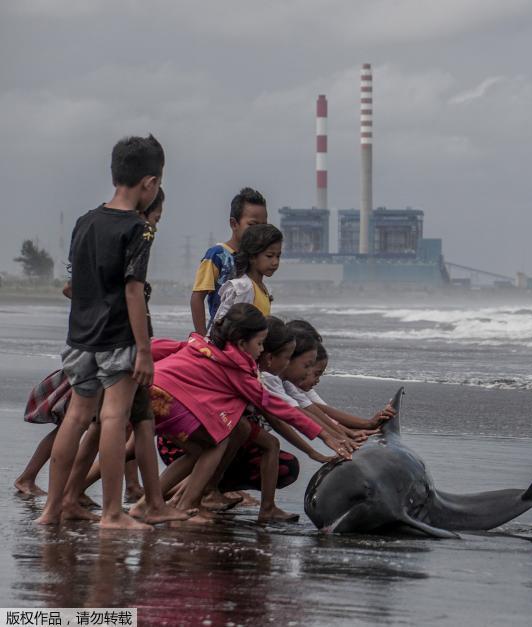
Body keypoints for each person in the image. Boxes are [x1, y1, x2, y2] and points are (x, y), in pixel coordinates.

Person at [36, 135, 163, 529]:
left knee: (75, 419)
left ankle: (52, 509)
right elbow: (133, 290)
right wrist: (144, 350)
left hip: (80, 337)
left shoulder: (84, 221)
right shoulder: (139, 230)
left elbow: (75, 284)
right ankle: (111, 513)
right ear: (150, 183)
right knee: (113, 418)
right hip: (117, 338)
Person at [148, 304, 351, 521]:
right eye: (260, 344)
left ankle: (156, 503)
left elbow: (163, 346)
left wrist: (133, 356)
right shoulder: (240, 371)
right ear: (244, 343)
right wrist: (323, 436)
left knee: (210, 444)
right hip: (170, 404)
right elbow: (277, 408)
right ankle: (185, 502)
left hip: (150, 393)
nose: (261, 349)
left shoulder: (210, 348)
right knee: (215, 445)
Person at [284, 320, 394, 434]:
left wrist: (366, 425)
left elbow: (321, 412)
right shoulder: (271, 380)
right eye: (308, 365)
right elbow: (307, 413)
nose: (308, 373)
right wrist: (346, 435)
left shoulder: (290, 385)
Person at [190, 188, 267, 336]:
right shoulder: (217, 255)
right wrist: (201, 339)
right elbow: (197, 298)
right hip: (221, 338)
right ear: (234, 224)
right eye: (252, 225)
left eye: (264, 225)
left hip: (250, 339)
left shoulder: (256, 258)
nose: (259, 231)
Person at [208, 224, 281, 333]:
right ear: (252, 257)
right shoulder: (243, 288)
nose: (275, 262)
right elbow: (221, 326)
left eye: (278, 256)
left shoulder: (263, 289)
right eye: (270, 256)